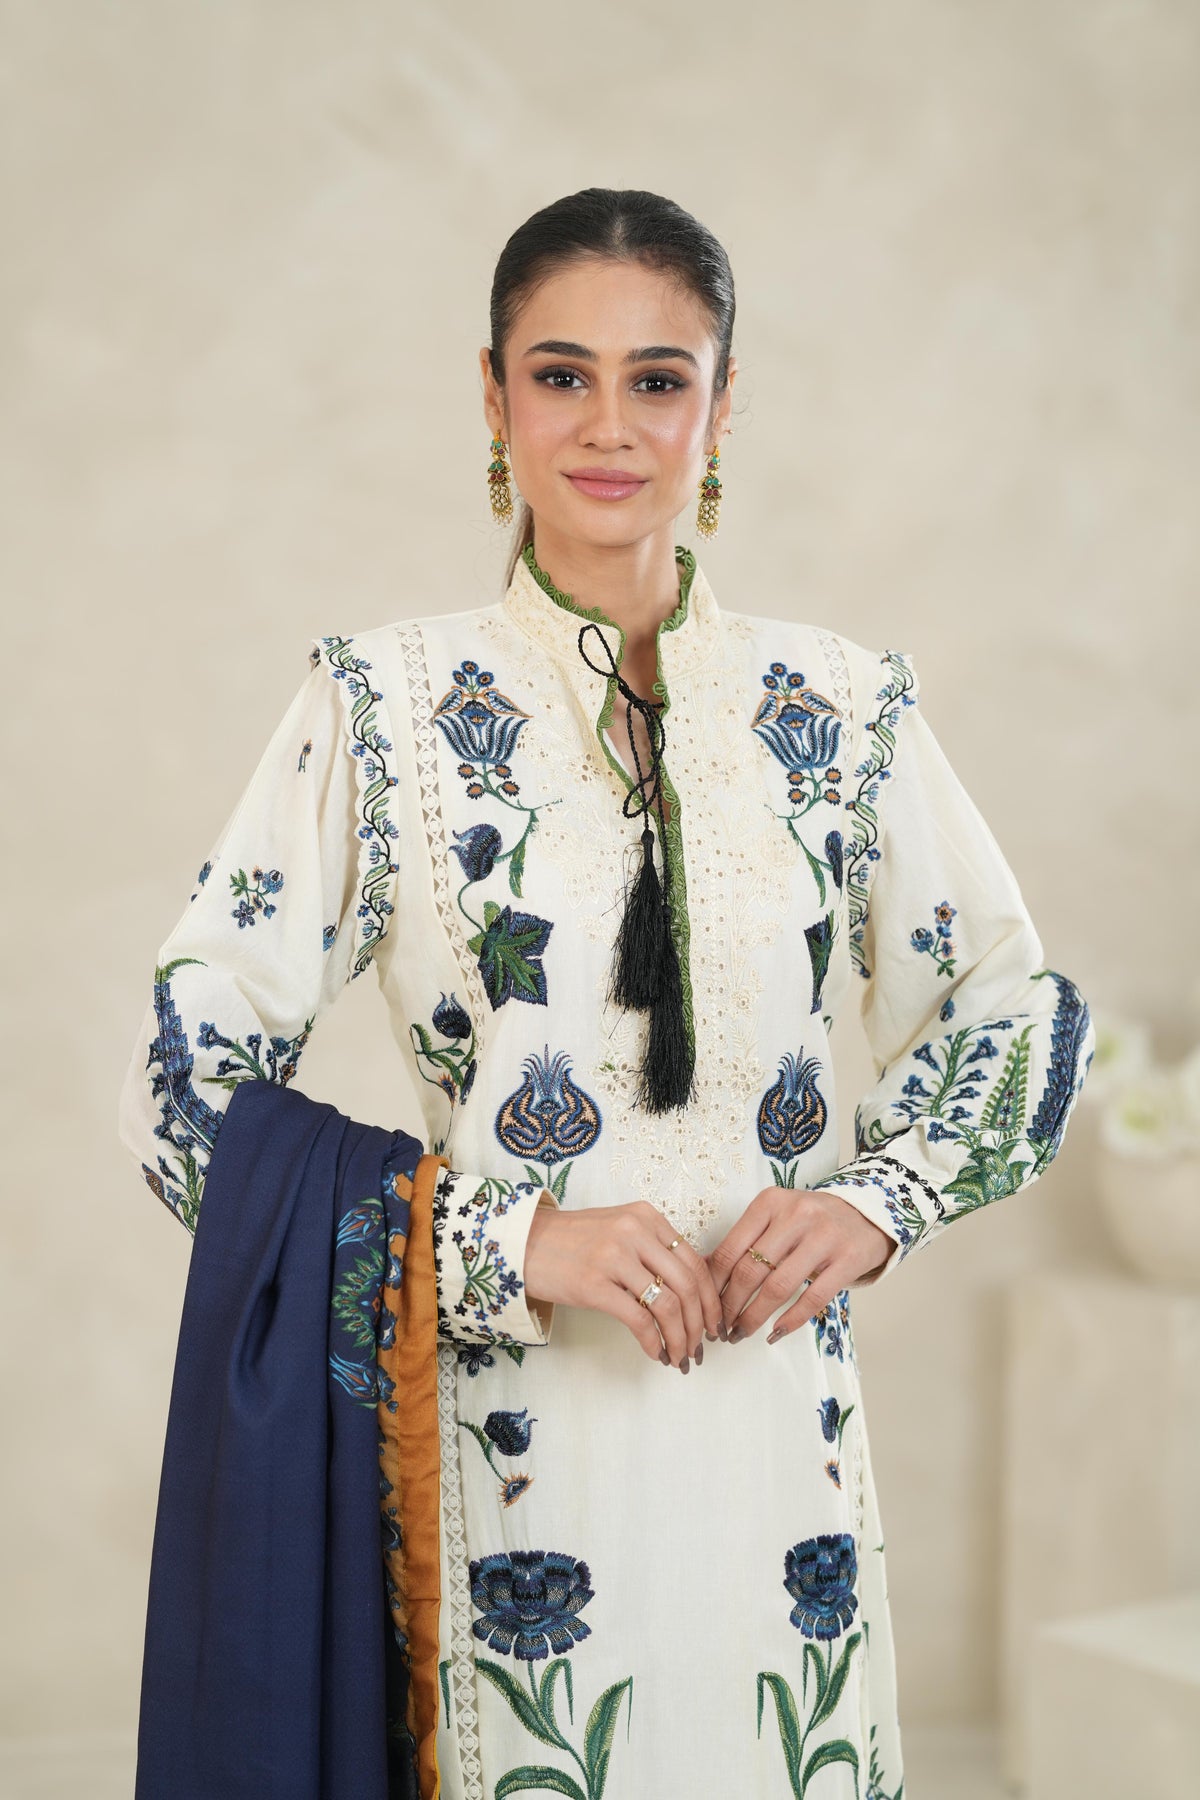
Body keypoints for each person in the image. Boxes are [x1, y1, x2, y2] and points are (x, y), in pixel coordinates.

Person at [118, 186, 1094, 1800]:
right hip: (517, 1471)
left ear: (723, 406)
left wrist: (878, 1200)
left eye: (660, 378)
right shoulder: (384, 708)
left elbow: (1007, 1004)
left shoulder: (840, 707)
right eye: (561, 373)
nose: (610, 425)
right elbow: (185, 1086)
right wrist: (506, 1241)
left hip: (784, 1472)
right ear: (493, 396)